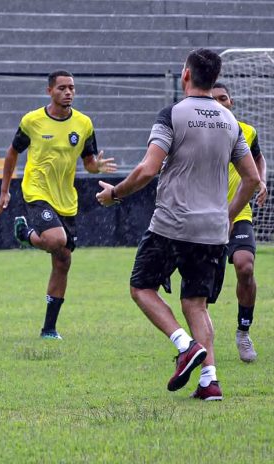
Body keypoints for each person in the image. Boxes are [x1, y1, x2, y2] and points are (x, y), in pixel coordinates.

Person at [96, 49, 260, 400]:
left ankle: (184, 345)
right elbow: (251, 179)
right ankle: (209, 382)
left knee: (141, 287)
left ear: (186, 74)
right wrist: (228, 215)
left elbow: (147, 169)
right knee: (195, 303)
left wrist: (115, 194)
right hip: (212, 231)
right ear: (213, 77)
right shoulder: (231, 122)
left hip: (172, 224)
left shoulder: (173, 114)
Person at [0, 70, 117, 340]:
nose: (68, 92)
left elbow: (89, 161)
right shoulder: (32, 121)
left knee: (63, 260)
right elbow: (13, 152)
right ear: (50, 91)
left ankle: (49, 329)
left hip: (66, 199)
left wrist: (97, 168)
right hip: (36, 191)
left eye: (71, 87)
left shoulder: (83, 124)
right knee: (56, 239)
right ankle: (26, 233)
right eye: (62, 88)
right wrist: (5, 190)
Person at [212, 82, 268, 362]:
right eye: (213, 99)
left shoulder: (246, 131)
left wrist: (261, 180)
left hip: (238, 212)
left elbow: (258, 158)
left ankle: (243, 332)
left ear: (231, 102)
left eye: (224, 98)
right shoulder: (199, 132)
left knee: (245, 266)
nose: (219, 103)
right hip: (204, 216)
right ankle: (197, 342)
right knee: (206, 285)